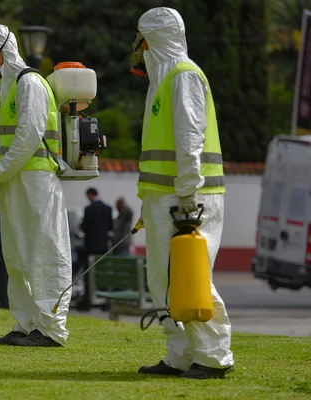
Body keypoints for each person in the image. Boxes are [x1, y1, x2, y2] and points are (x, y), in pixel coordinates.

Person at [131, 7, 235, 379]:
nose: (138, 48)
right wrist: (149, 202)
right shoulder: (162, 82)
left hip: (188, 197)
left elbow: (190, 140)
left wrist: (188, 196)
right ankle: (181, 355)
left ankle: (213, 356)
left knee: (191, 277)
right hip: (167, 197)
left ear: (153, 39)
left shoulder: (183, 76)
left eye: (141, 39)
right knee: (163, 281)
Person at [0, 24, 72, 347]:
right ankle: (25, 325)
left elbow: (28, 139)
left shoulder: (29, 82)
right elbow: (3, 145)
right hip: (14, 182)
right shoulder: (1, 90)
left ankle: (51, 329)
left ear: (5, 49)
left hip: (37, 182)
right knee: (16, 254)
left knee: (44, 251)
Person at [77, 187, 113, 310]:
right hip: (103, 247)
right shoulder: (108, 209)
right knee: (101, 274)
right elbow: (110, 227)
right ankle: (105, 300)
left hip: (90, 247)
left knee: (88, 274)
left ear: (90, 195)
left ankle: (88, 301)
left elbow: (84, 226)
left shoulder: (89, 209)